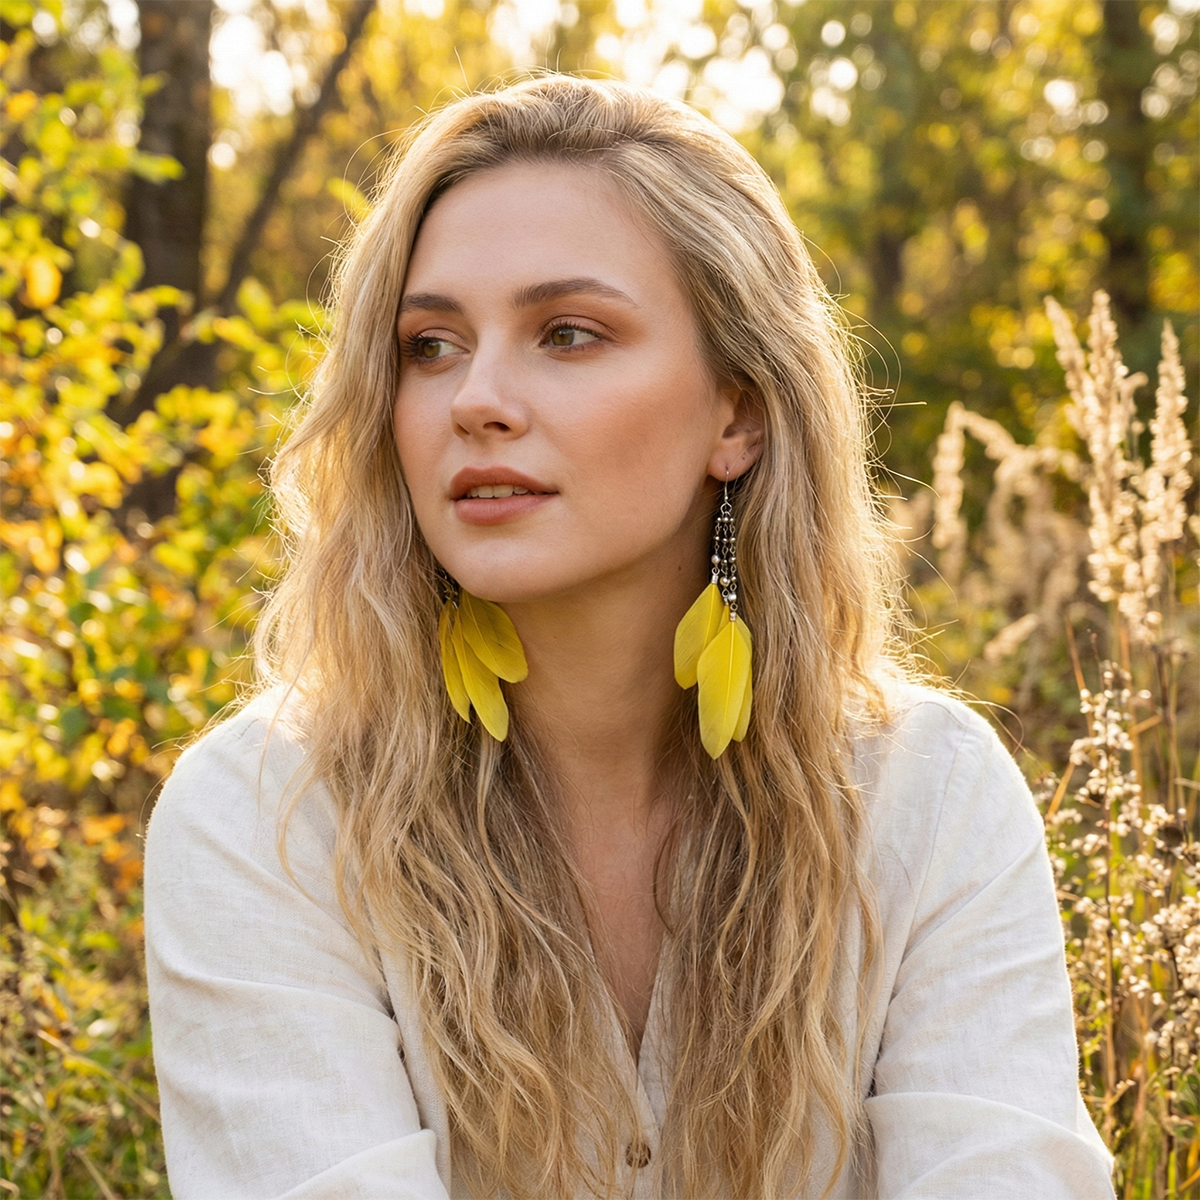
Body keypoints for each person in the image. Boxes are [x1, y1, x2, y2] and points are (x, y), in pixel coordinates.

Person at [143, 76, 1116, 1200]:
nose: (478, 398)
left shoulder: (925, 801)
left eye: (568, 333)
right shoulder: (268, 819)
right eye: (430, 345)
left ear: (738, 413)